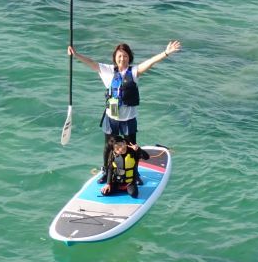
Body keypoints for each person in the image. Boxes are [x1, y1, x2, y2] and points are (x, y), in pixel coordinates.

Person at [66, 39, 181, 182]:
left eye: (125, 56)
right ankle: (106, 171)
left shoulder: (133, 72)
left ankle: (134, 173)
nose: (122, 58)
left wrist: (166, 53)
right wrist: (76, 55)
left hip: (128, 119)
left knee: (132, 148)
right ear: (115, 57)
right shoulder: (107, 70)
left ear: (129, 58)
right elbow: (91, 62)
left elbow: (151, 62)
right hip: (111, 118)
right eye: (119, 56)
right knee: (108, 148)